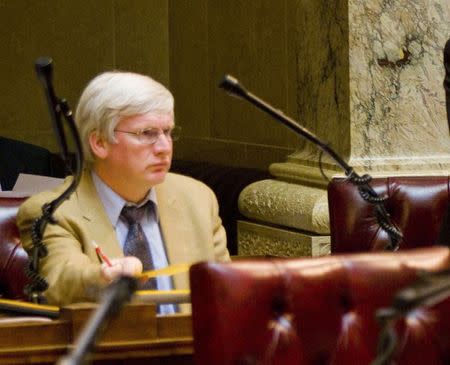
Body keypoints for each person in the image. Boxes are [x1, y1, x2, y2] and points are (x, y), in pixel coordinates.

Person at [17, 71, 230, 312]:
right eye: (147, 133)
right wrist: (104, 277)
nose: (164, 147)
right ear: (99, 143)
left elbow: (226, 293)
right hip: (109, 347)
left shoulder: (197, 198)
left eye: (168, 132)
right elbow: (61, 281)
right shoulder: (52, 211)